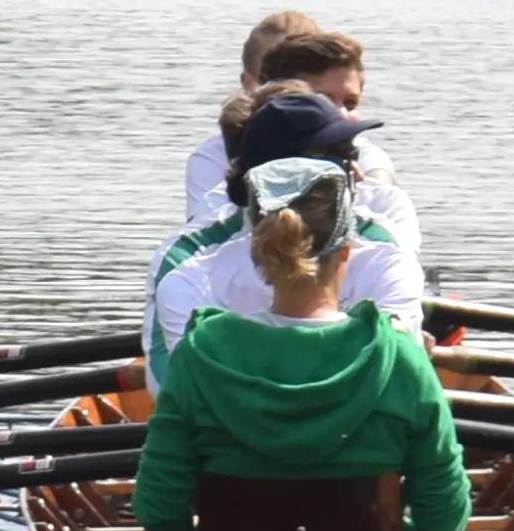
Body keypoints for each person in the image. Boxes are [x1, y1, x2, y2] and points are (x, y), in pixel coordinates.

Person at [127, 154, 474, 531]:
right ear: (347, 251)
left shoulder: (199, 354)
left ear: (258, 250)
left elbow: (158, 512)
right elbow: (445, 524)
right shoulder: (400, 356)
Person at [147, 84, 426, 368]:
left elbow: (396, 373)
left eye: (353, 157)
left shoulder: (384, 250)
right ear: (280, 175)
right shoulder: (186, 262)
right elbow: (171, 386)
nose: (359, 174)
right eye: (340, 160)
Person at [177, 15, 421, 256]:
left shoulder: (377, 184)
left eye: (350, 103)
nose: (339, 115)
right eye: (321, 100)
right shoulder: (213, 165)